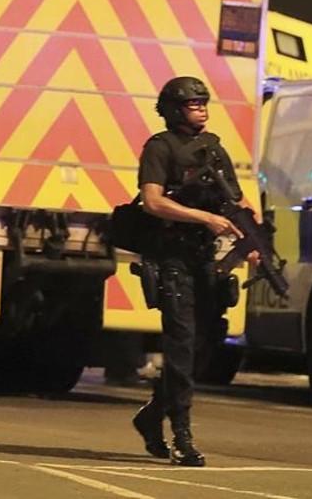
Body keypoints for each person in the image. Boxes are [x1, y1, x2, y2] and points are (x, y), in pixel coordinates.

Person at [130, 76, 259, 467]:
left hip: (205, 261)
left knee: (207, 344)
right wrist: (203, 218)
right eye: (192, 104)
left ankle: (152, 416)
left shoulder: (213, 148)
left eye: (204, 102)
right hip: (172, 261)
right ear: (173, 110)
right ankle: (181, 435)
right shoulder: (160, 147)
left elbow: (236, 200)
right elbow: (152, 201)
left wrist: (253, 239)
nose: (201, 109)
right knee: (181, 346)